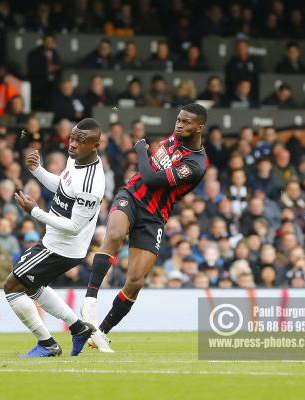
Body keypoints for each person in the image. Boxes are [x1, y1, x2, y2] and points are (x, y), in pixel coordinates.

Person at [81, 104, 209, 352]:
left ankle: (100, 333)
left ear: (200, 128)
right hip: (131, 195)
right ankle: (89, 300)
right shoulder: (173, 139)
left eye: (186, 122)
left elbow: (151, 178)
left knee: (136, 281)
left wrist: (141, 150)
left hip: (155, 216)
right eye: (179, 120)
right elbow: (146, 177)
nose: (179, 125)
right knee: (115, 235)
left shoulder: (195, 164)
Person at [3, 118, 105, 357]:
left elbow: (74, 227)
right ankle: (79, 328)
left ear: (95, 145)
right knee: (31, 286)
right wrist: (37, 171)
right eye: (72, 138)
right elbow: (62, 186)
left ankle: (47, 344)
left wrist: (35, 212)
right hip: (56, 240)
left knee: (11, 287)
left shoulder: (92, 184)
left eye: (80, 141)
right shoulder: (76, 159)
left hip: (64, 246)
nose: (73, 144)